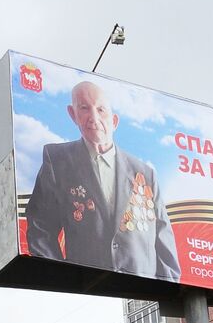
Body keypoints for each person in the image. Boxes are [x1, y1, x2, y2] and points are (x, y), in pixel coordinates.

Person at [25, 81, 180, 282]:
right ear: (73, 114)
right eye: (84, 108)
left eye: (101, 110)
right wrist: (61, 281)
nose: (94, 117)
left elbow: (164, 242)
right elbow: (41, 228)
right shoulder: (58, 160)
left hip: (141, 290)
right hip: (87, 288)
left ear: (114, 121)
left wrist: (165, 291)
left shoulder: (145, 173)